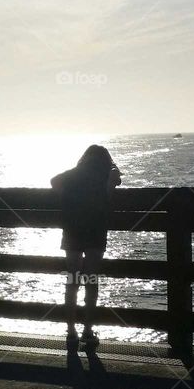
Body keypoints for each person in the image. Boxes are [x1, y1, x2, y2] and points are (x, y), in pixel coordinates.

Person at [50, 145, 122, 348]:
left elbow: (54, 181)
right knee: (91, 281)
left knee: (72, 280)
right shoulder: (107, 173)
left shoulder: (74, 174)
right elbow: (112, 188)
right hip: (95, 231)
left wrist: (68, 197)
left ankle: (71, 331)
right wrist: (111, 178)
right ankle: (87, 331)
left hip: (72, 230)